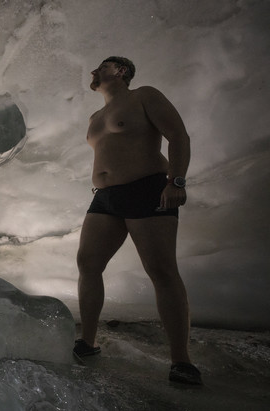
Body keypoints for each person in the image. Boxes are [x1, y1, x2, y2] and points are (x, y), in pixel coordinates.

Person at [75, 56, 201, 385]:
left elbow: (178, 135)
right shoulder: (96, 116)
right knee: (88, 263)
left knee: (161, 270)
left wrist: (176, 181)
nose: (94, 71)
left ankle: (182, 361)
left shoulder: (143, 96)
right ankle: (87, 342)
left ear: (121, 71)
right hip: (105, 196)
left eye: (102, 67)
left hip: (147, 188)